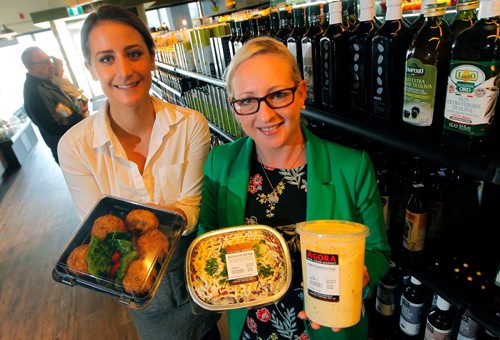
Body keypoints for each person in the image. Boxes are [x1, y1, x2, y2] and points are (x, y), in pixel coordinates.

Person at [197, 36, 391, 340]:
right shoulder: (219, 163)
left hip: (328, 326)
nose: (265, 115)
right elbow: (206, 239)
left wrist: (356, 278)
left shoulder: (351, 167)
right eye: (247, 100)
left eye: (277, 95)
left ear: (301, 93)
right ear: (234, 107)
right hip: (252, 328)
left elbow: (378, 251)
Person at [57, 5, 220, 340]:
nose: (124, 70)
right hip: (135, 286)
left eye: (133, 54)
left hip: (192, 271)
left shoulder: (190, 126)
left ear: (151, 57)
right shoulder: (75, 147)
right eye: (106, 59)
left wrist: (153, 221)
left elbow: (192, 206)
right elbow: (99, 228)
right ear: (90, 68)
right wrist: (167, 219)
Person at [22, 47, 88, 164]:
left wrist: (77, 107)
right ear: (31, 67)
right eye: (45, 62)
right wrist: (79, 115)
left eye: (50, 60)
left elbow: (63, 109)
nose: (52, 65)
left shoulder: (47, 81)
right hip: (69, 150)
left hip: (77, 142)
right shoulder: (34, 92)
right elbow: (52, 127)